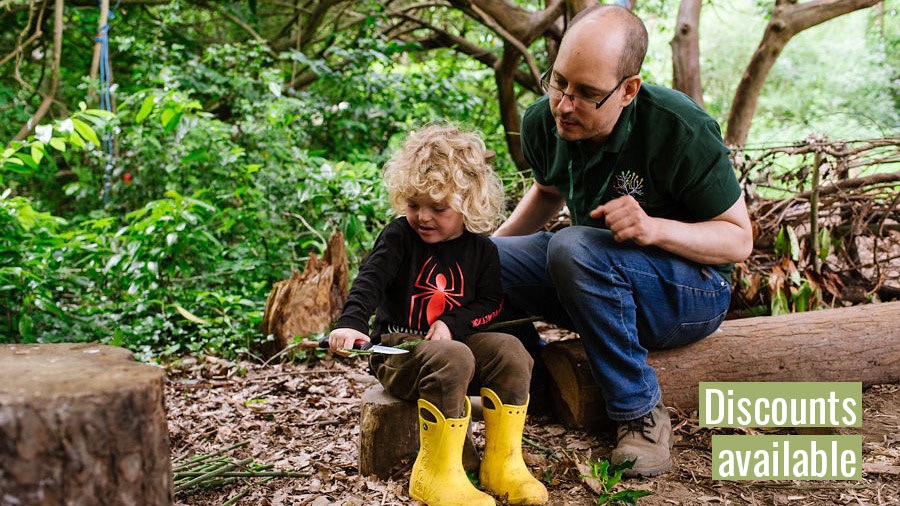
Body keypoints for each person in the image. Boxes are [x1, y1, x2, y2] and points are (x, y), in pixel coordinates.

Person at [492, 5, 753, 478]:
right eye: (559, 83)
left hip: (691, 294)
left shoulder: (680, 129)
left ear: (628, 90)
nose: (565, 104)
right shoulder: (547, 120)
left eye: (587, 94)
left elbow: (738, 241)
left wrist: (654, 228)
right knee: (484, 263)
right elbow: (548, 191)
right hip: (600, 274)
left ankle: (640, 415)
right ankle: (535, 387)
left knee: (574, 247)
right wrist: (469, 259)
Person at [328, 123, 548, 505]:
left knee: (511, 350)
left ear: (469, 203)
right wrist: (350, 323)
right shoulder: (400, 237)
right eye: (413, 204)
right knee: (453, 355)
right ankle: (437, 472)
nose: (422, 217)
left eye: (438, 207)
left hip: (452, 344)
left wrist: (452, 322)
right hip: (399, 350)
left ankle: (502, 463)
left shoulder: (482, 250)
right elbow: (370, 282)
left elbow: (491, 304)